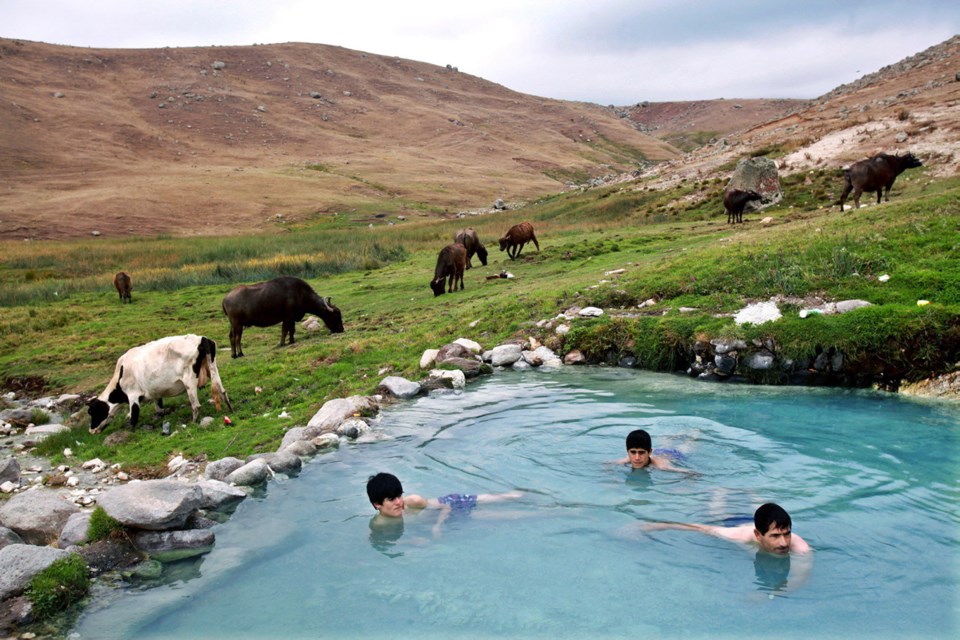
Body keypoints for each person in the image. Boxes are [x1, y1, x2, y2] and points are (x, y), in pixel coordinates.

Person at [366, 472, 522, 535]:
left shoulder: (413, 501)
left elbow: (445, 507)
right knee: (504, 516)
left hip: (451, 504)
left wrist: (437, 526)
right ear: (377, 504)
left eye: (399, 496)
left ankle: (523, 495)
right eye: (392, 499)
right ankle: (542, 512)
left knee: (499, 499)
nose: (399, 502)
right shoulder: (379, 524)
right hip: (447, 518)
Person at [644, 502, 812, 555]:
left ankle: (752, 494)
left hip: (762, 521)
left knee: (762, 507)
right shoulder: (736, 535)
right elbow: (699, 528)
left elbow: (799, 578)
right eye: (775, 536)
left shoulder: (800, 548)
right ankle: (720, 493)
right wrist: (652, 526)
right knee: (719, 512)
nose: (784, 543)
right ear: (758, 536)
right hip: (736, 524)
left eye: (787, 533)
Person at [612, 429, 690, 473]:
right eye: (633, 452)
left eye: (641, 452)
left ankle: (694, 434)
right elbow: (607, 465)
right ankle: (670, 438)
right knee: (666, 444)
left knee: (686, 446)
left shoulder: (661, 466)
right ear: (627, 451)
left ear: (649, 452)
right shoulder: (628, 459)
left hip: (674, 455)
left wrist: (683, 487)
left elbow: (691, 473)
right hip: (658, 452)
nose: (637, 458)